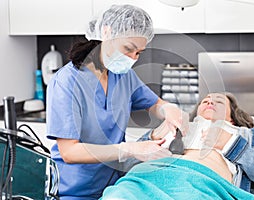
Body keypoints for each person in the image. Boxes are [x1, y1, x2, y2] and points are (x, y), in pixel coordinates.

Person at [46, 4, 189, 199]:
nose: (133, 58)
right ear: (107, 32)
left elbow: (154, 104)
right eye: (128, 49)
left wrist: (169, 110)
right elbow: (69, 152)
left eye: (138, 53)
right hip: (74, 191)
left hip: (115, 186)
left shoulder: (123, 76)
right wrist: (130, 149)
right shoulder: (66, 82)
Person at [111, 92, 254, 200]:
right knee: (119, 193)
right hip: (148, 176)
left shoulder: (240, 135)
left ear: (232, 117)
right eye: (205, 100)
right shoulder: (175, 127)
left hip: (198, 182)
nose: (209, 102)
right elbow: (125, 167)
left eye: (219, 102)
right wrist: (154, 135)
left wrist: (231, 143)